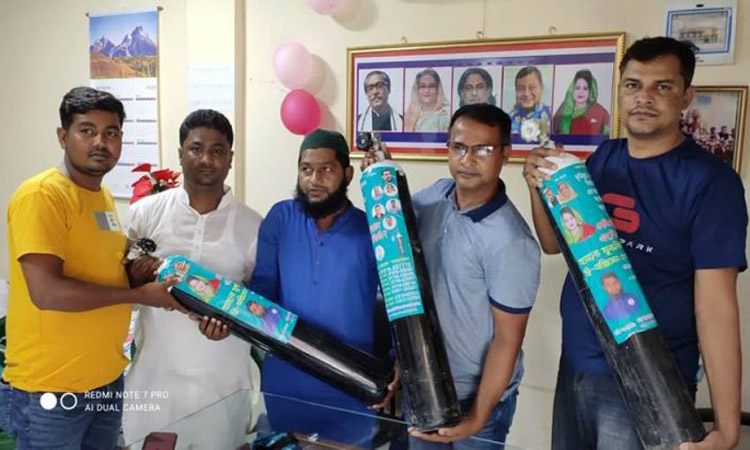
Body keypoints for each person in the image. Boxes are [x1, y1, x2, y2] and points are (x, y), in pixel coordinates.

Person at [523, 37, 746, 449]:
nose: (644, 97)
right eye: (633, 85)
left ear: (686, 96)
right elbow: (555, 245)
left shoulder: (712, 183)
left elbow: (716, 308)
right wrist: (538, 187)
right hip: (578, 363)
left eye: (662, 86)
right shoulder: (604, 158)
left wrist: (727, 428)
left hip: (649, 378)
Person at [0, 87, 184, 450]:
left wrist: (135, 273)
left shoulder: (101, 196)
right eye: (87, 130)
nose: (101, 142)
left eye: (111, 132)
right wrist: (138, 294)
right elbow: (47, 292)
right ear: (63, 136)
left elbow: (101, 267)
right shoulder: (42, 196)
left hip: (105, 380)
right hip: (51, 390)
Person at [363, 103, 541, 449]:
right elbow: (395, 224)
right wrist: (383, 171)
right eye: (458, 147)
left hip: (475, 400)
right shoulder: (436, 196)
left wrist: (477, 417)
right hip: (423, 384)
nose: (467, 159)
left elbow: (507, 340)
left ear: (505, 153)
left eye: (482, 149)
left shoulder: (512, 242)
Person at [122, 109, 262, 449]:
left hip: (222, 387)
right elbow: (120, 290)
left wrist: (231, 323)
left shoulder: (254, 226)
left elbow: (257, 307)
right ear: (180, 153)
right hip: (155, 380)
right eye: (196, 148)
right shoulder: (145, 213)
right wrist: (135, 280)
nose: (206, 159)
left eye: (217, 150)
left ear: (230, 158)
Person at [249, 129, 397, 447]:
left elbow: (397, 301)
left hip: (350, 384)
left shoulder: (372, 228)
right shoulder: (280, 219)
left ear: (347, 174)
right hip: (285, 381)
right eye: (306, 169)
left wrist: (395, 364)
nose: (314, 180)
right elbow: (263, 289)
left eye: (326, 169)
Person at [553, 69, 611, 135]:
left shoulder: (601, 112)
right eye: (577, 88)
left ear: (590, 92)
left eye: (585, 89)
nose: (581, 92)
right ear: (572, 89)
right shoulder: (563, 110)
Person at [509, 66, 552, 134]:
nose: (526, 93)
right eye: (521, 88)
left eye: (532, 87)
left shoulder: (551, 116)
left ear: (542, 88)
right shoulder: (508, 118)